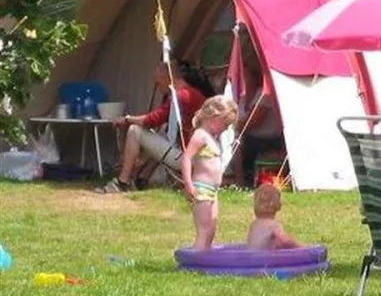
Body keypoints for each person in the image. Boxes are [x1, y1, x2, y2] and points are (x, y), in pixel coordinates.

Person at [98, 60, 207, 193]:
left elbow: (152, 120)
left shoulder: (181, 96)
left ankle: (123, 181)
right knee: (160, 132)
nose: (156, 84)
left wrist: (126, 119)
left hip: (188, 158)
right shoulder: (191, 93)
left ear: (168, 78)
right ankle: (140, 177)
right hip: (197, 155)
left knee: (135, 131)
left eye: (158, 79)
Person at [181, 96, 238, 250]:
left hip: (213, 191)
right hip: (202, 189)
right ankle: (197, 261)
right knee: (204, 229)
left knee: (212, 228)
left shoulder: (213, 138)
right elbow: (186, 158)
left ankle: (207, 256)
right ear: (214, 118)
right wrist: (188, 184)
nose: (226, 129)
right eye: (225, 124)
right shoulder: (200, 136)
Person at [232, 67, 284, 188]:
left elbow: (251, 123)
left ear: (255, 79)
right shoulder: (241, 97)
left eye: (245, 77)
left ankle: (240, 181)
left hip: (268, 140)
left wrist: (230, 124)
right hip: (251, 137)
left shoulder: (264, 95)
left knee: (236, 142)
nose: (242, 81)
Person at [246, 183, 303, 250]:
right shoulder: (272, 225)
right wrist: (303, 248)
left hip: (251, 258)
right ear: (278, 206)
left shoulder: (254, 224)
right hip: (265, 259)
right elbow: (285, 240)